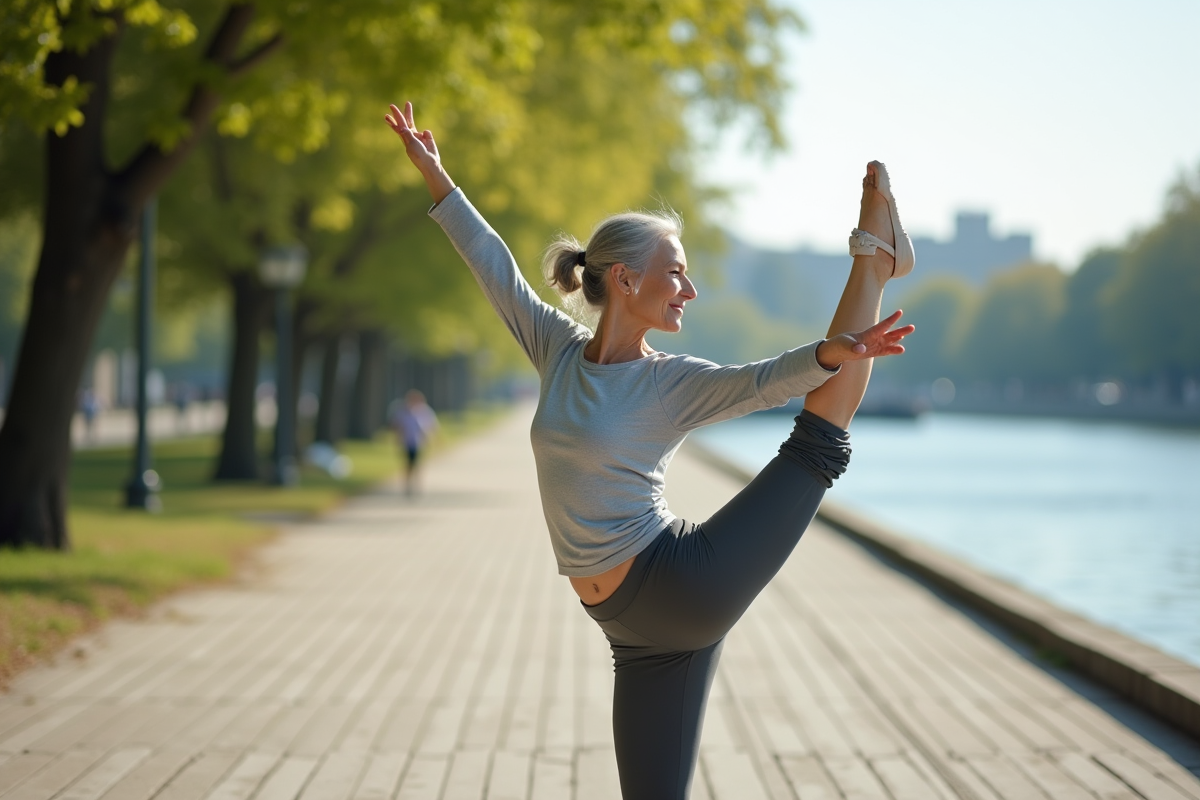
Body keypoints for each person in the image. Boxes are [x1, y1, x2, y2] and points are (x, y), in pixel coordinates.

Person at [386, 101, 915, 799]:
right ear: (626, 280)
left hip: (682, 583)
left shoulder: (672, 383)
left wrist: (827, 353)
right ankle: (878, 261)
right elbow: (493, 266)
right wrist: (437, 176)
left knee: (818, 442)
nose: (690, 290)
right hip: (636, 641)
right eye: (677, 273)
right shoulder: (556, 350)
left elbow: (758, 383)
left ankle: (873, 257)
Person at [389, 389, 439, 495]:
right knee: (408, 465)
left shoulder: (425, 411)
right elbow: (396, 426)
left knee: (417, 464)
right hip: (406, 443)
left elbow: (432, 426)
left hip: (419, 443)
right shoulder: (403, 412)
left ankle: (416, 484)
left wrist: (431, 439)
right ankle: (407, 485)